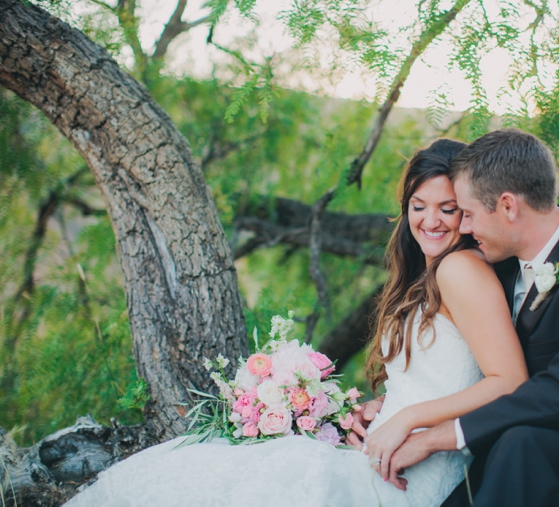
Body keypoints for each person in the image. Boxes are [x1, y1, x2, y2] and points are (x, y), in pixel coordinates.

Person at [63, 138, 529, 507]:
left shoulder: (460, 268)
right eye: (418, 206)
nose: (430, 221)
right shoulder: (426, 273)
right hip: (386, 447)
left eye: (447, 209)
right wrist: (380, 406)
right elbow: (446, 371)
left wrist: (404, 417)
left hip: (412, 468)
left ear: (467, 212)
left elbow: (508, 381)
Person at [358, 128, 559, 506]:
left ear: (508, 206)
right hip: (513, 440)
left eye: (467, 213)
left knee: (520, 444)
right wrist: (392, 407)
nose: (465, 228)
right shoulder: (498, 262)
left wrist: (430, 436)